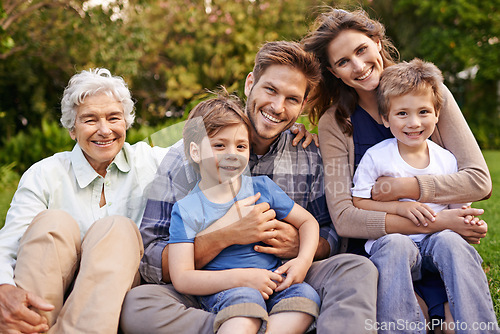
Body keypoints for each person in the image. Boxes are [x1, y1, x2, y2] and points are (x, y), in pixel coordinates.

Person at [120, 41, 379, 334]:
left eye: (292, 99)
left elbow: (331, 231)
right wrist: (225, 236)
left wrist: (300, 247)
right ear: (250, 83)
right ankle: (239, 324)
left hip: (286, 277)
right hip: (208, 285)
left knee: (356, 269)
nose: (277, 107)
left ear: (303, 105)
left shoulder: (309, 154)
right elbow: (153, 256)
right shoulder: (187, 154)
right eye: (270, 90)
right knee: (138, 305)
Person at [302, 7, 498, 333]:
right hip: (384, 251)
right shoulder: (335, 123)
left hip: (440, 241)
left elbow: (478, 180)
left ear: (377, 42)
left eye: (362, 50)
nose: (359, 66)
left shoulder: (427, 92)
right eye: (343, 62)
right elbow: (345, 217)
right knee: (411, 305)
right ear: (334, 72)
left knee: (452, 325)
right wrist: (438, 219)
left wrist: (403, 188)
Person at [0, 68, 169, 333]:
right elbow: (8, 244)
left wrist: (257, 97)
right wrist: (2, 287)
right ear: (71, 128)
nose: (104, 130)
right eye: (90, 120)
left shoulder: (153, 162)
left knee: (118, 229)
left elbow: (213, 139)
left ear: (126, 122)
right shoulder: (45, 173)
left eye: (114, 118)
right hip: (47, 292)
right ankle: (28, 327)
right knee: (52, 223)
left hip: (119, 294)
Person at [352, 58, 491, 331]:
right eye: (402, 114)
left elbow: (456, 209)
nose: (414, 123)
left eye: (424, 112)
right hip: (392, 242)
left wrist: (471, 223)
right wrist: (399, 208)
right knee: (395, 245)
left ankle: (478, 328)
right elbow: (359, 202)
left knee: (452, 242)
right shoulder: (377, 157)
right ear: (385, 118)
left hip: (435, 243)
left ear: (438, 113)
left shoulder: (446, 160)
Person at [169, 93, 320, 333]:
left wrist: (302, 261)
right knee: (244, 308)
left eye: (241, 146)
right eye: (219, 145)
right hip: (227, 290)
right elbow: (182, 277)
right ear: (195, 152)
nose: (233, 154)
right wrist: (243, 278)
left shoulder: (262, 188)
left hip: (273, 280)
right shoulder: (187, 209)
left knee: (304, 298)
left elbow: (308, 222)